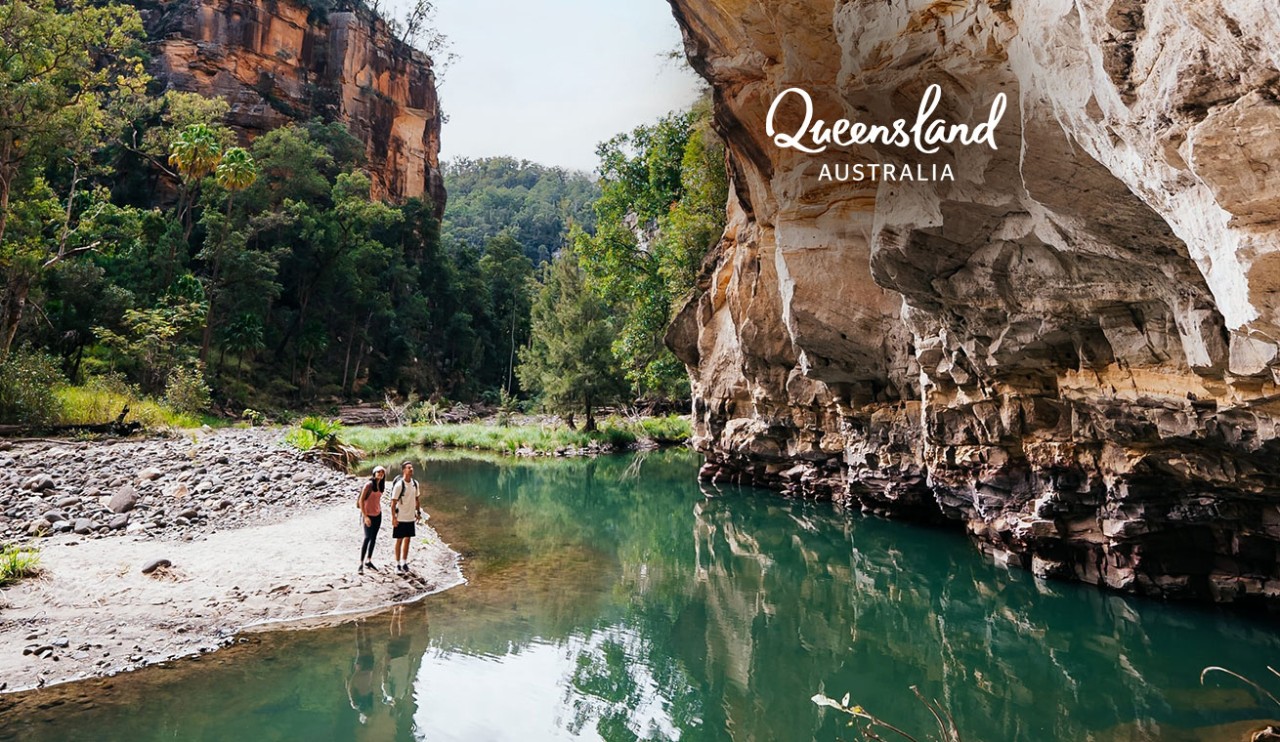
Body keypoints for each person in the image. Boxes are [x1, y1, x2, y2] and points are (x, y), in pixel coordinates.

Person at [389, 461, 423, 574]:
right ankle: (397, 564)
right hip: (400, 517)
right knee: (399, 540)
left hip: (410, 517)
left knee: (408, 539)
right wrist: (393, 518)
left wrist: (418, 512)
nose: (411, 469)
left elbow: (417, 499)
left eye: (412, 468)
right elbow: (393, 503)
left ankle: (404, 562)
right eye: (409, 468)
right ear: (404, 470)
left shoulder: (415, 483)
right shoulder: (399, 485)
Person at [357, 465, 386, 574]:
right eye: (378, 472)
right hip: (368, 515)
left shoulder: (381, 486)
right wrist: (365, 516)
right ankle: (361, 563)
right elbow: (361, 501)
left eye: (382, 473)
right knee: (367, 538)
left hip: (378, 514)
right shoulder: (368, 485)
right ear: (374, 473)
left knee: (373, 538)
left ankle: (369, 560)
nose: (380, 474)